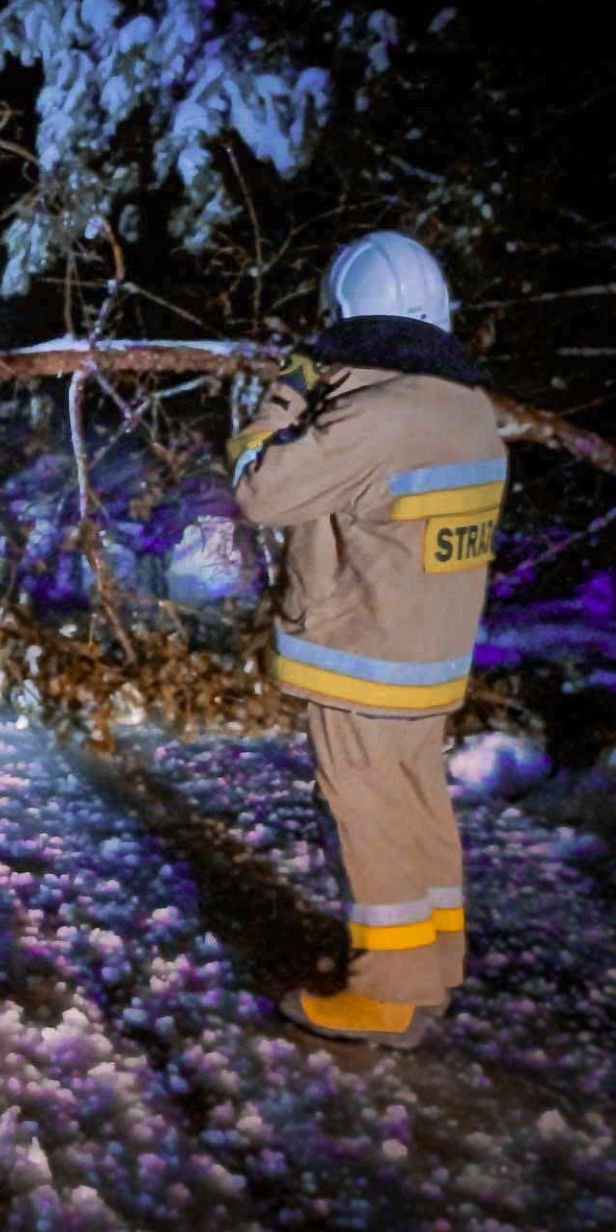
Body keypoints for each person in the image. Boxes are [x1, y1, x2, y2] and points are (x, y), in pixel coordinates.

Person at [228, 231, 504, 1049]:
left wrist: (282, 401)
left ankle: (384, 996)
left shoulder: (372, 419)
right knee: (418, 805)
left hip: (363, 658)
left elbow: (259, 491)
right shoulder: (467, 408)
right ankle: (433, 963)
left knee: (369, 815)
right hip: (431, 660)